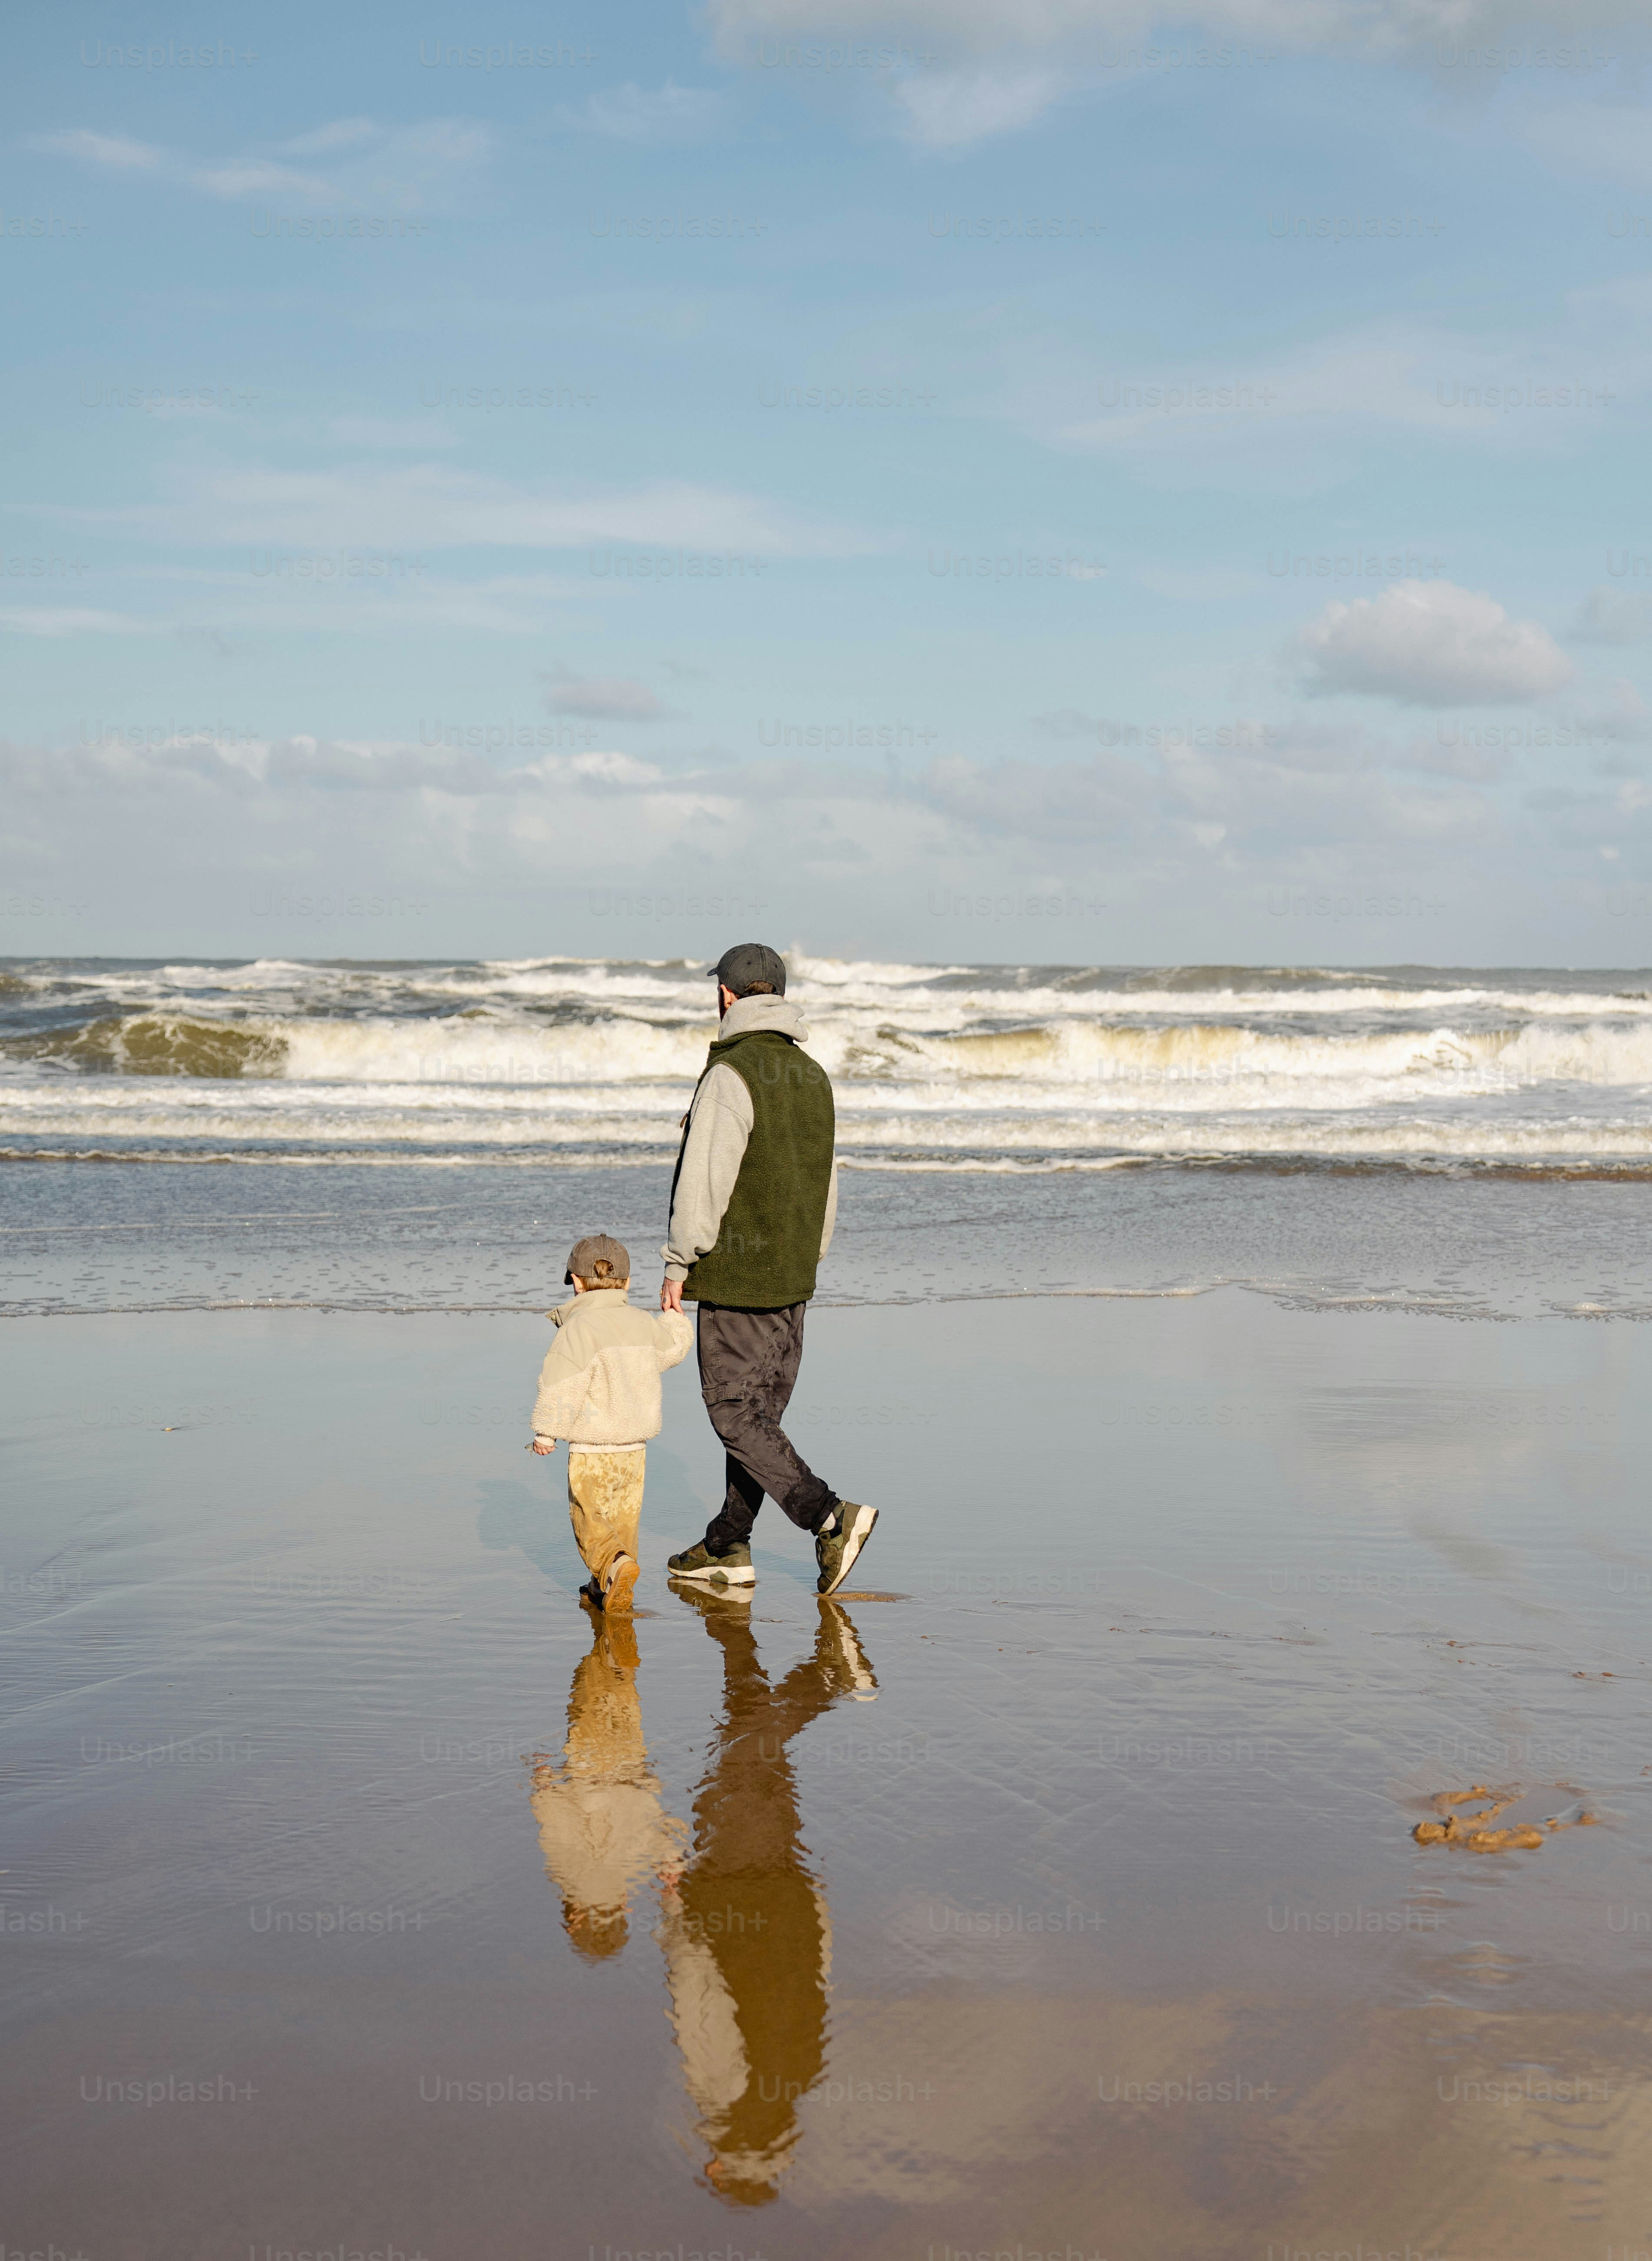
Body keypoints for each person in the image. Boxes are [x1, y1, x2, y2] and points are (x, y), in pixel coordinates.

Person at [659, 943, 878, 1596]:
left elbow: (704, 1182)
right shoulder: (813, 1076)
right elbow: (825, 1187)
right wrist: (807, 1258)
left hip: (736, 1279)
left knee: (733, 1415)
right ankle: (727, 1545)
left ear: (726, 996)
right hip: (791, 1278)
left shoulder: (730, 1075)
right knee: (757, 1422)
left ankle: (830, 1517)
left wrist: (679, 1261)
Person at [657, 1588, 877, 2201]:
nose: (708, 2165)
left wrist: (817, 1901)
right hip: (730, 1898)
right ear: (731, 2159)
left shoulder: (799, 2077)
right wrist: (675, 1912)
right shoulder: (728, 2087)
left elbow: (820, 1980)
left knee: (756, 1764)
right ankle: (821, 1683)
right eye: (718, 2169)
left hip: (783, 1895)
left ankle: (751, 1652)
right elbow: (696, 1994)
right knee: (745, 1762)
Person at [530, 1233, 692, 1612]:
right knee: (623, 1522)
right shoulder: (640, 1321)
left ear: (576, 1281)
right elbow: (671, 1349)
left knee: (590, 1520)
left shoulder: (578, 1328)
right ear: (628, 1282)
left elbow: (562, 1383)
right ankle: (609, 1586)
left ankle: (613, 1568)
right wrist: (675, 1318)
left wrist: (547, 1430)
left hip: (592, 1447)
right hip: (634, 1449)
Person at [530, 1610, 686, 1962]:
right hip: (590, 1765)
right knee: (589, 1683)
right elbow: (555, 1824)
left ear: (624, 1909)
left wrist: (672, 1867)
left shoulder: (630, 1873)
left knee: (622, 1688)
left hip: (632, 1763)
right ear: (578, 1917)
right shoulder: (571, 1875)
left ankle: (615, 1622)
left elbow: (661, 1835)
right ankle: (611, 1616)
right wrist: (543, 1781)